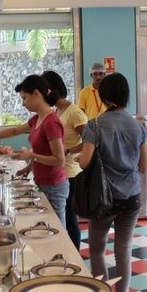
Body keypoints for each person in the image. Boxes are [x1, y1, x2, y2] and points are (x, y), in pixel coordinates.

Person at [78, 73, 147, 292]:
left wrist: (79, 157)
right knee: (124, 251)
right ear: (126, 96)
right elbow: (143, 166)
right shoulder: (139, 126)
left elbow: (84, 162)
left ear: (104, 97)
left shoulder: (94, 125)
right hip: (131, 197)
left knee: (97, 249)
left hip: (103, 199)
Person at [0, 75, 69, 226]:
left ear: (36, 94)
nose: (23, 103)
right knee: (45, 225)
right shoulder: (37, 119)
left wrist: (31, 155)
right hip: (43, 181)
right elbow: (15, 131)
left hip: (54, 186)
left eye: (24, 98)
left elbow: (59, 160)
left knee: (57, 229)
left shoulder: (51, 123)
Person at [41, 70, 88, 250]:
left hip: (71, 173)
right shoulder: (56, 111)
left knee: (69, 216)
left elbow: (90, 141)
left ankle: (74, 254)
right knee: (62, 216)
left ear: (52, 90)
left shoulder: (74, 112)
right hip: (60, 171)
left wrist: (67, 150)